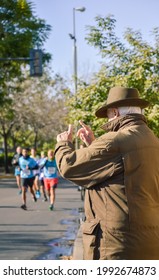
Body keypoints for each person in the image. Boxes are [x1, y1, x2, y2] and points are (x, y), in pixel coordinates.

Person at [55, 86, 159, 260]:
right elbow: (122, 172)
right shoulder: (153, 140)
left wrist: (64, 144)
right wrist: (94, 144)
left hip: (116, 245)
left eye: (108, 115)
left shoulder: (115, 141)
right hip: (149, 242)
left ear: (115, 112)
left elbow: (69, 166)